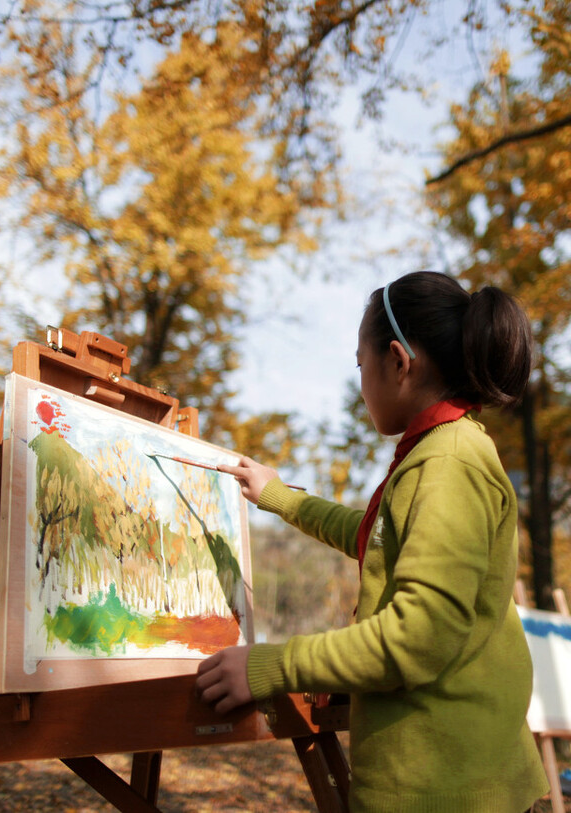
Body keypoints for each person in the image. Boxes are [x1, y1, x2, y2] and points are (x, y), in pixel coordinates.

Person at [195, 271, 549, 812]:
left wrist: (268, 666)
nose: (361, 386)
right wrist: (280, 497)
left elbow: (415, 639)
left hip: (449, 792)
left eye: (361, 367)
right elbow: (377, 537)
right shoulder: (442, 451)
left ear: (399, 362)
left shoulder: (448, 464)